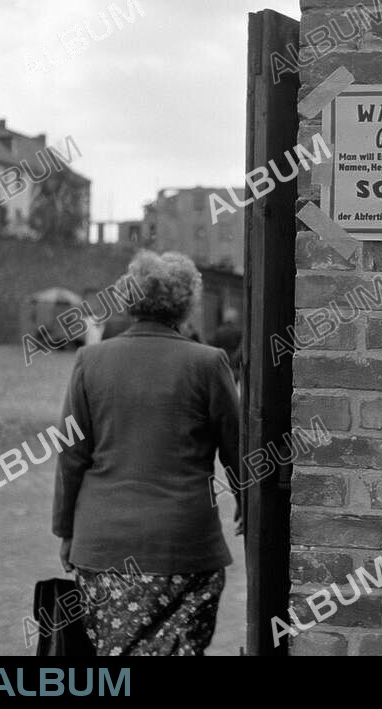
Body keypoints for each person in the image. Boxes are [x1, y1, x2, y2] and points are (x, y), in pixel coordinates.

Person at [52, 250, 242, 656]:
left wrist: (66, 531)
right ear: (187, 302)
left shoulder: (90, 360)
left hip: (104, 547)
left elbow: (71, 456)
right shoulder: (209, 363)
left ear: (129, 299)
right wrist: (246, 500)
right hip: (185, 546)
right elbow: (237, 448)